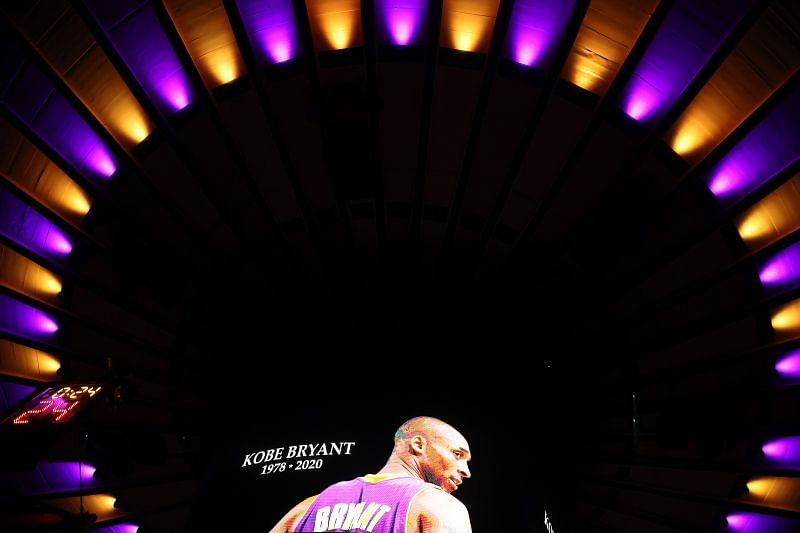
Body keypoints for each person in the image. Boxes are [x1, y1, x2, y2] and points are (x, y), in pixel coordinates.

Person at [269, 416, 472, 533]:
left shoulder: (307, 508)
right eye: (457, 454)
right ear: (418, 444)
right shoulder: (440, 506)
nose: (466, 471)